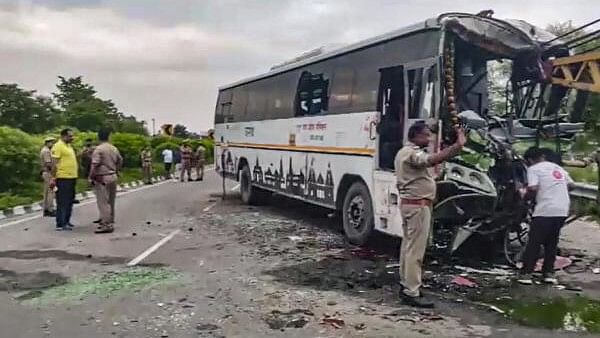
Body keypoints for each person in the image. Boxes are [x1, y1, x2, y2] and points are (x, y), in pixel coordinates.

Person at [395, 121, 466, 308]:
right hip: (417, 207)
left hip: (412, 205)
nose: (429, 138)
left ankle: (406, 285)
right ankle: (411, 291)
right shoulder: (412, 153)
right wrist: (456, 147)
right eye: (426, 135)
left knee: (408, 248)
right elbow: (429, 160)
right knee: (415, 251)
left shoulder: (405, 152)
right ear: (416, 135)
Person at [518, 147, 574, 285]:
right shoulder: (558, 168)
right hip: (562, 209)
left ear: (530, 160)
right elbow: (572, 185)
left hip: (545, 209)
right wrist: (556, 190)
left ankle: (526, 273)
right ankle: (548, 274)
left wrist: (524, 196)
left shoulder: (534, 169)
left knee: (534, 242)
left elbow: (532, 188)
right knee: (552, 242)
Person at [89, 129, 123, 234]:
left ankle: (106, 224)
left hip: (102, 177)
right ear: (109, 137)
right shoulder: (114, 148)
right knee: (111, 201)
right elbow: (120, 160)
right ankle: (110, 221)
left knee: (103, 202)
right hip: (113, 176)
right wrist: (116, 170)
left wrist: (91, 176)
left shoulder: (98, 149)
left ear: (99, 137)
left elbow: (95, 164)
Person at [50, 128, 78, 231]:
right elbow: (54, 163)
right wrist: (53, 177)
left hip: (71, 177)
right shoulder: (58, 146)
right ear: (63, 136)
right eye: (70, 136)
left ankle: (67, 221)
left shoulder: (69, 146)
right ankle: (60, 223)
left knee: (70, 200)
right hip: (62, 177)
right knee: (62, 201)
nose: (72, 138)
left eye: (72, 136)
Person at [40, 137, 56, 217]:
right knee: (51, 191)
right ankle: (50, 209)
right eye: (51, 142)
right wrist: (53, 173)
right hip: (48, 172)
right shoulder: (46, 151)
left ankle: (46, 209)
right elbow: (48, 163)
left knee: (46, 192)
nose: (53, 144)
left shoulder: (44, 150)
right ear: (47, 143)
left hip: (45, 172)